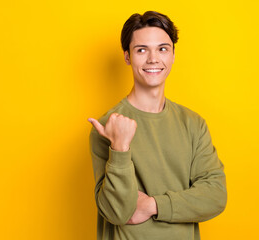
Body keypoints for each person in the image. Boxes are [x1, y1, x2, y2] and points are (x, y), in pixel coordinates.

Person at [88, 11, 227, 240]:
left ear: (173, 55)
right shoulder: (108, 126)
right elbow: (116, 211)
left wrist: (153, 205)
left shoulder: (193, 124)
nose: (153, 58)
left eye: (162, 49)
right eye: (141, 50)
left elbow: (215, 196)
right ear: (127, 57)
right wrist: (120, 148)